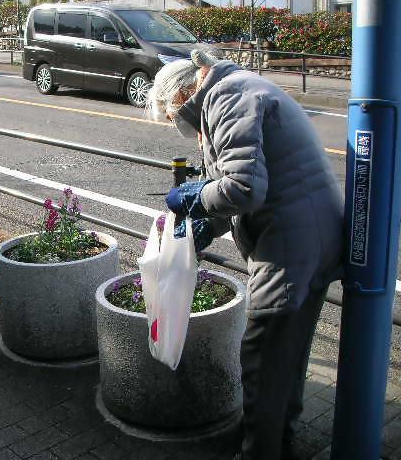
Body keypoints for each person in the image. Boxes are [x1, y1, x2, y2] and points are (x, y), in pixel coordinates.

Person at [147, 50, 343, 460]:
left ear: (182, 95)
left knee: (262, 357)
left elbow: (244, 188)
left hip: (291, 243)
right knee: (287, 356)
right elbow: (245, 187)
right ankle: (280, 441)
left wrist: (193, 197)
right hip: (312, 234)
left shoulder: (225, 97)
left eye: (169, 115)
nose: (174, 124)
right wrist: (206, 225)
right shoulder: (237, 89)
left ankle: (259, 453)